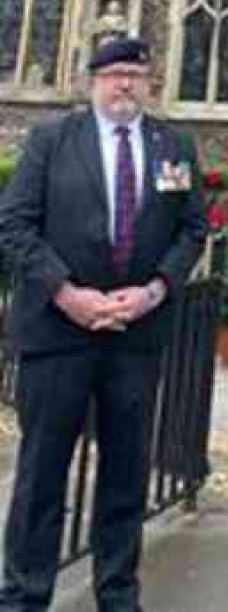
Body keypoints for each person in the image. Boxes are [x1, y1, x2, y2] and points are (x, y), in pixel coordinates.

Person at [0, 37, 208, 612]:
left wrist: (155, 290)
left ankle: (118, 594)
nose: (124, 85)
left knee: (126, 475)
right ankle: (23, 596)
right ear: (92, 80)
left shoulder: (175, 146)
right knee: (42, 476)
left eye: (134, 75)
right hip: (59, 334)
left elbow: (193, 230)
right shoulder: (51, 140)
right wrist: (67, 294)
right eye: (114, 74)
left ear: (148, 82)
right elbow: (14, 225)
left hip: (134, 338)